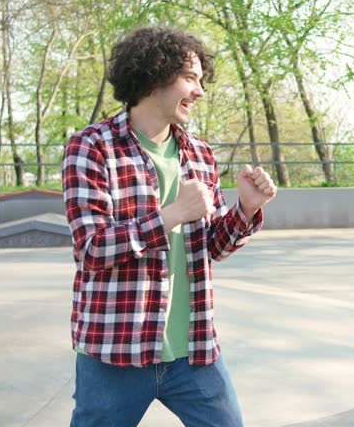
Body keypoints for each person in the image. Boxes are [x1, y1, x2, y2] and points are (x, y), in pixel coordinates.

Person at [62, 26, 277, 427]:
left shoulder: (199, 152)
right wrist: (172, 214)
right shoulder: (92, 147)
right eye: (191, 79)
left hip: (192, 352)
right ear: (154, 75)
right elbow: (92, 247)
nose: (200, 91)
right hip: (115, 353)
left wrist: (246, 209)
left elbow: (211, 247)